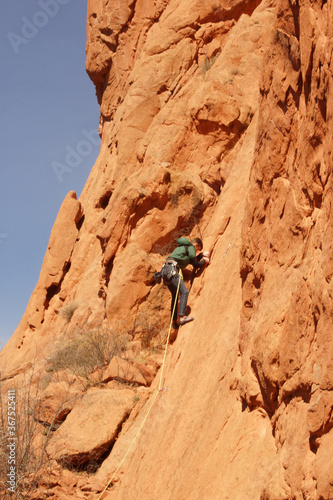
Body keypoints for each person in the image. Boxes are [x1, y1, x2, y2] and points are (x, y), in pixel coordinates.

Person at [160, 237, 210, 329]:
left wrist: (201, 254)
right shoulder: (191, 247)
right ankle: (182, 317)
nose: (195, 252)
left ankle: (174, 322)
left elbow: (192, 261)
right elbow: (196, 264)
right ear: (196, 245)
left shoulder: (183, 249)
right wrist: (205, 261)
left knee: (175, 296)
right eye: (197, 250)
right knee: (184, 292)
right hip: (172, 270)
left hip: (165, 271)